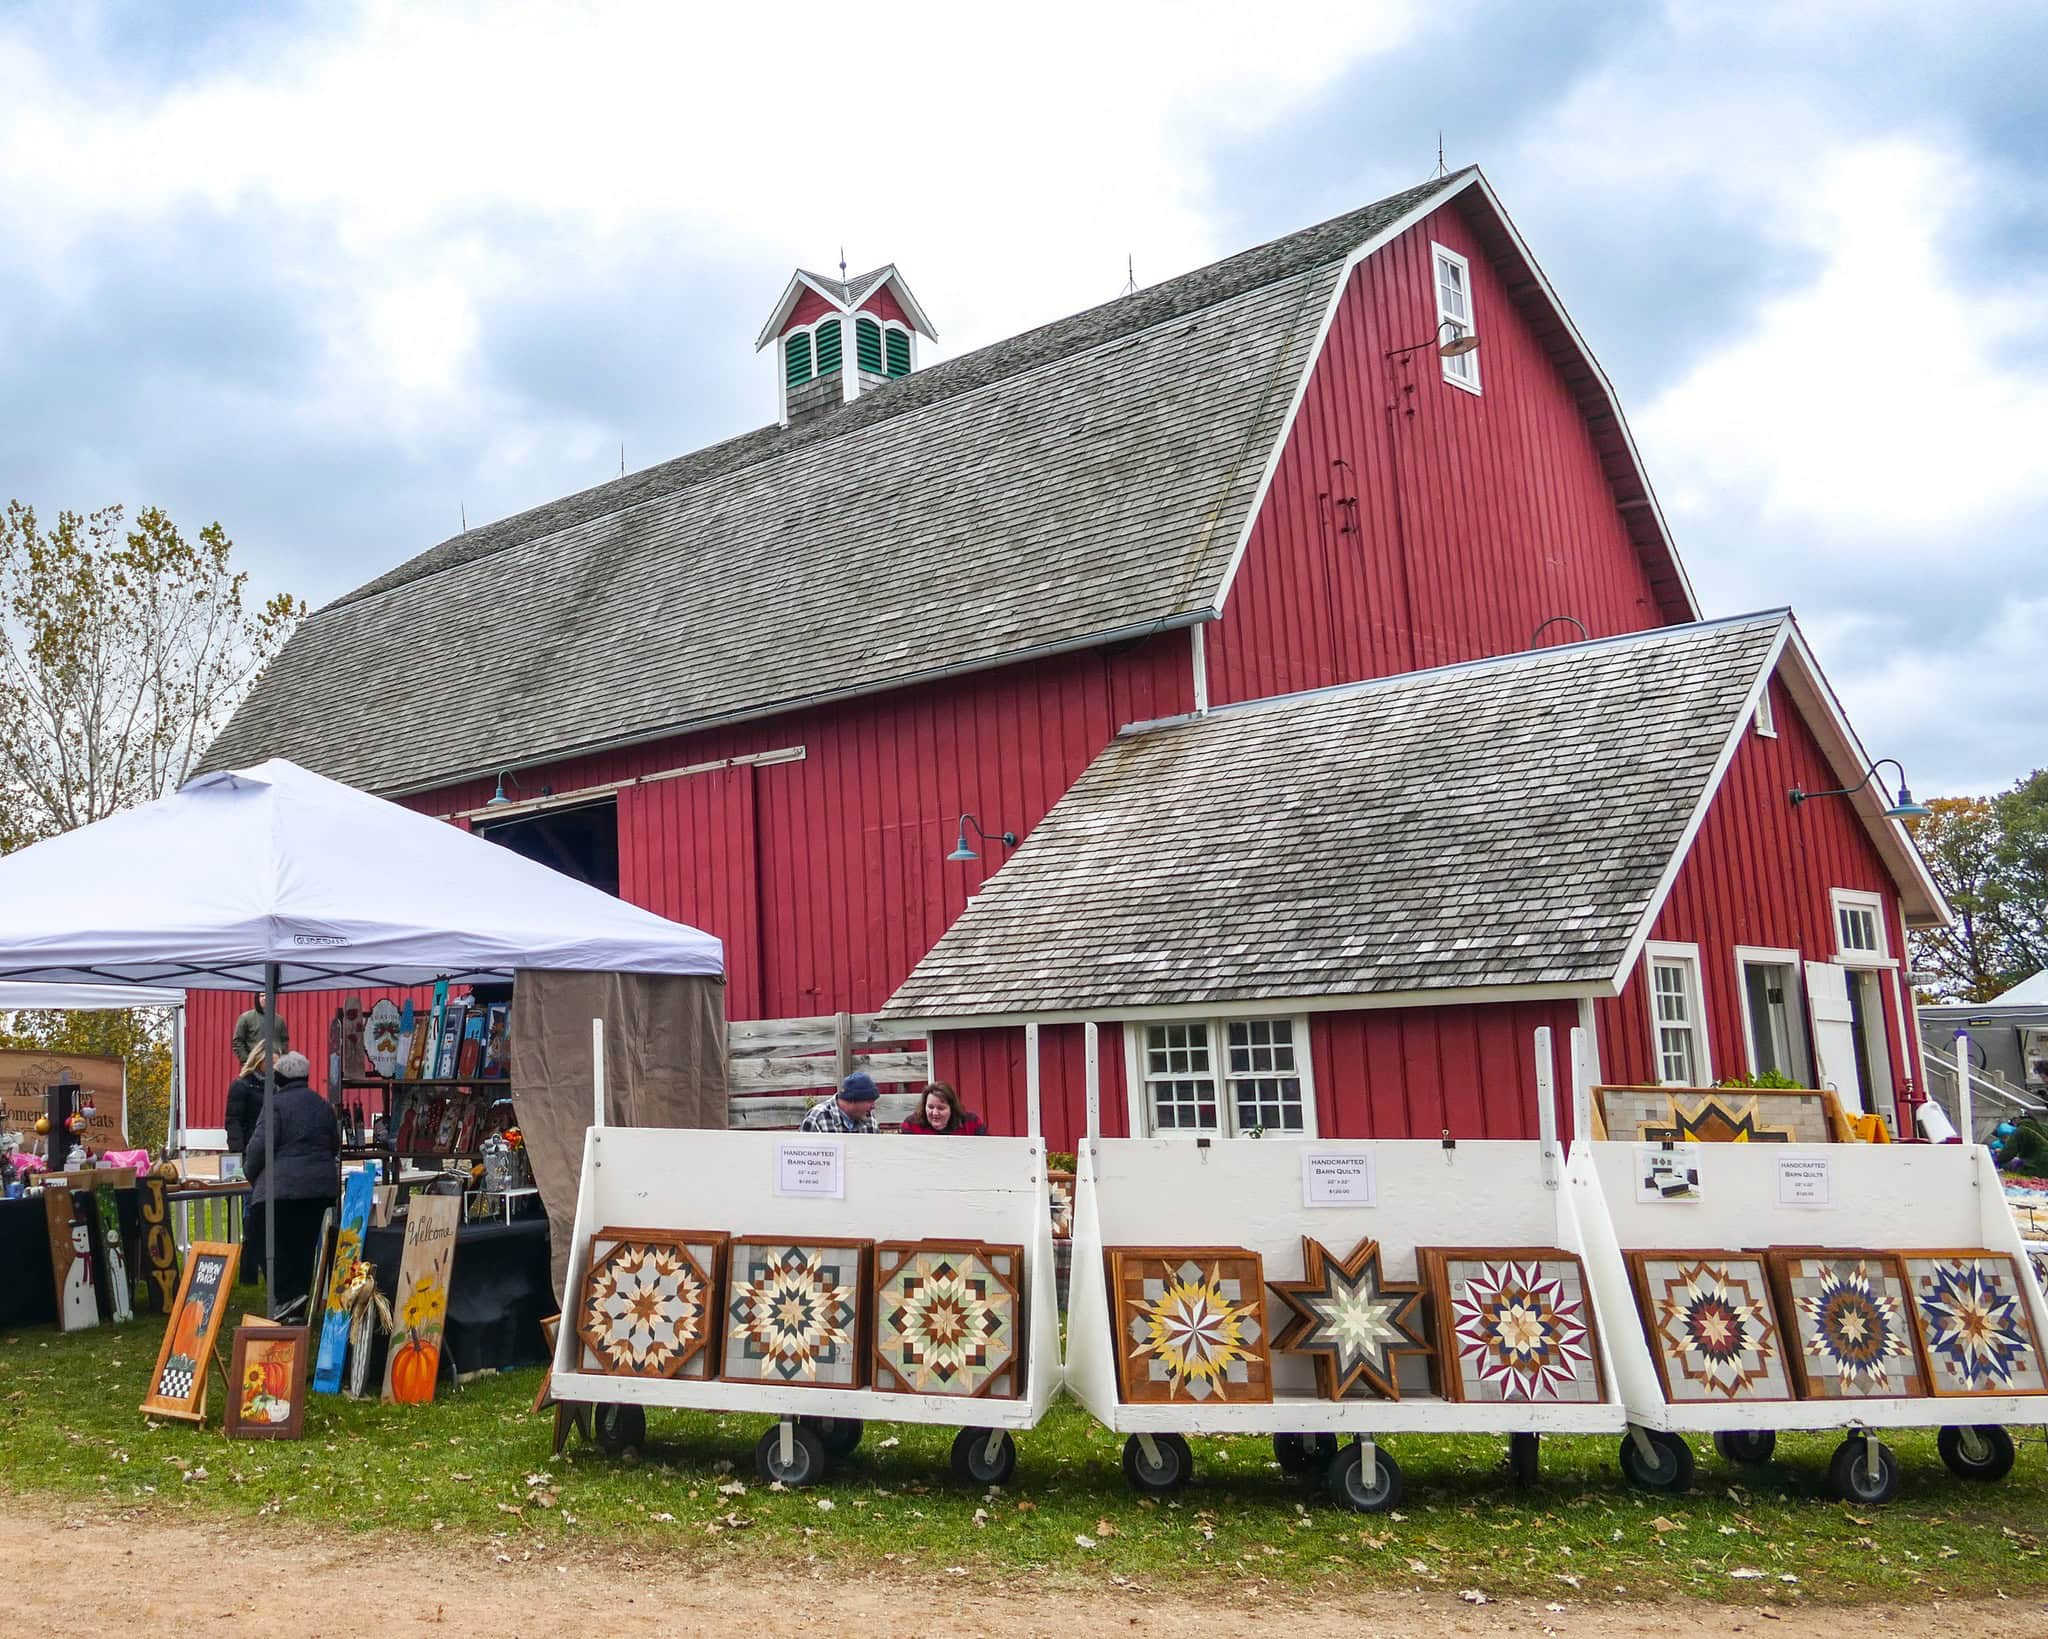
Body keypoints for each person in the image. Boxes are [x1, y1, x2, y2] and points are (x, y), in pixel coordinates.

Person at [243, 1050, 340, 1320]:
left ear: (279, 1078)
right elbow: (334, 1145)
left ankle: (286, 1297)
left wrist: (252, 1177)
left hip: (280, 1188)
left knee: (262, 1237)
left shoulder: (275, 1105)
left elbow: (259, 1148)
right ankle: (296, 1301)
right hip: (319, 1189)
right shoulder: (323, 1106)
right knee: (303, 1244)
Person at [798, 1070, 882, 1134]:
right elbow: (802, 1154)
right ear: (852, 1100)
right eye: (869, 1101)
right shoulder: (817, 1118)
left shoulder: (869, 1120)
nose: (873, 1106)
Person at [223, 1045, 271, 1156]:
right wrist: (238, 1153)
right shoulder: (241, 1085)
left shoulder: (277, 1087)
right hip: (249, 1148)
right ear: (259, 1060)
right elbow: (233, 1121)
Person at [899, 1081, 988, 1135]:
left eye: (941, 1108)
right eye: (930, 1107)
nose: (934, 1113)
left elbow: (986, 1149)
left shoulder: (971, 1123)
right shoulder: (911, 1124)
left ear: (952, 1108)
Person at [232, 996, 289, 1065]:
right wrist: (247, 1060)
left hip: (276, 1066)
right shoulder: (246, 1018)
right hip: (254, 1066)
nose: (265, 998)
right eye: (262, 995)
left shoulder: (279, 1020)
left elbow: (284, 1041)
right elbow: (238, 1041)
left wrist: (281, 1058)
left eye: (267, 995)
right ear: (257, 999)